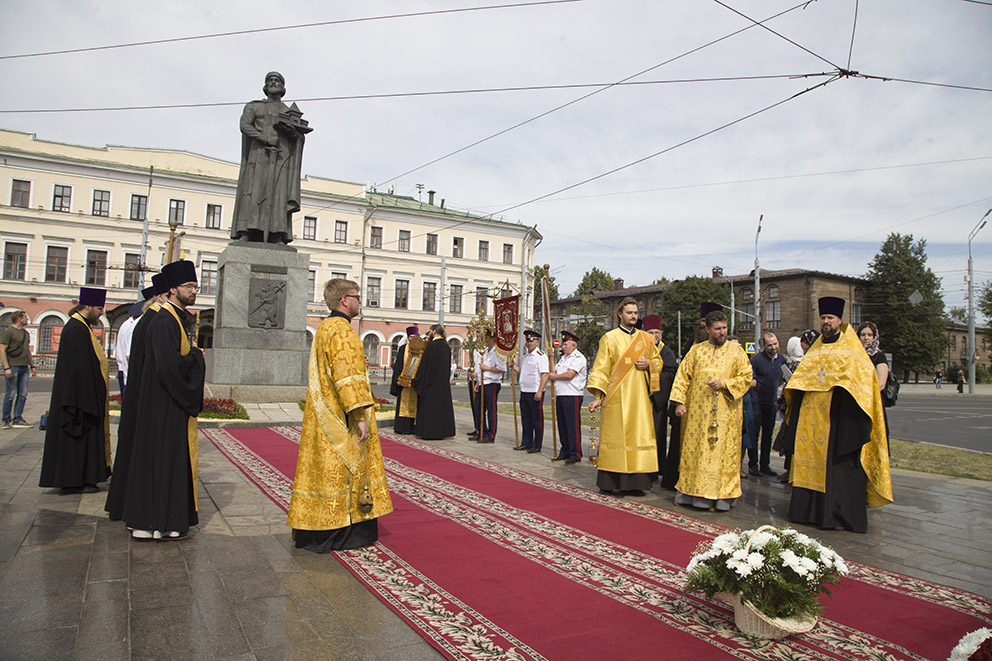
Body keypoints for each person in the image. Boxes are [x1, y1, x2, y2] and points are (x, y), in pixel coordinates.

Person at [287, 279, 393, 551]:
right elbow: (347, 377)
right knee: (346, 469)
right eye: (358, 296)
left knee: (323, 470)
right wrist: (359, 415)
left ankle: (315, 529)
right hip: (341, 417)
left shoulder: (324, 328)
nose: (361, 301)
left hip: (322, 414)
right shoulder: (344, 332)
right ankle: (346, 530)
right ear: (344, 300)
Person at [781, 297, 892, 533]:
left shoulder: (852, 350)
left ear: (840, 320)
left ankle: (834, 515)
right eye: (823, 318)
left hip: (838, 420)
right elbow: (803, 377)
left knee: (838, 467)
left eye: (830, 318)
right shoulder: (816, 349)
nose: (826, 322)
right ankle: (807, 512)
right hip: (811, 420)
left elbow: (864, 382)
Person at [122, 261, 205, 540]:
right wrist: (196, 358)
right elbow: (170, 367)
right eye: (189, 287)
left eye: (195, 286)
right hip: (165, 403)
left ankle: (160, 522)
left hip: (162, 401)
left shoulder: (171, 317)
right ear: (172, 290)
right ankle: (156, 522)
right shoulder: (165, 320)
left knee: (161, 462)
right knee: (161, 461)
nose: (194, 291)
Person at [669, 311, 753, 511]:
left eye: (724, 328)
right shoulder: (696, 351)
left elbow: (746, 377)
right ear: (707, 329)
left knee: (722, 456)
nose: (722, 332)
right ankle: (691, 494)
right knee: (696, 453)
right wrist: (679, 403)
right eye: (718, 329)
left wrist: (724, 383)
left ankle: (722, 498)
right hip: (697, 415)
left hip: (726, 415)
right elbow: (682, 377)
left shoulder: (737, 351)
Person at [106, 275, 169, 521]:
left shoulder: (138, 321)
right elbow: (136, 356)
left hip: (131, 378)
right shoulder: (147, 322)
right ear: (162, 297)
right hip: (136, 379)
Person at [39, 287, 111, 493]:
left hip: (81, 395)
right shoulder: (77, 329)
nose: (101, 313)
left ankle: (81, 478)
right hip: (79, 399)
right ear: (86, 306)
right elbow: (80, 370)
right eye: (99, 308)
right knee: (77, 438)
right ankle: (75, 479)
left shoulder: (81, 327)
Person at [588, 297, 662, 495]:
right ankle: (611, 482)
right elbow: (601, 369)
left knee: (639, 436)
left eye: (636, 313)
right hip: (616, 398)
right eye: (629, 313)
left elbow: (658, 361)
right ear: (620, 314)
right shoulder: (609, 338)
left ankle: (637, 483)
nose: (633, 316)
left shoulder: (646, 339)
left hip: (639, 399)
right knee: (616, 437)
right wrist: (598, 396)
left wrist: (650, 365)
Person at [231, 71, 311, 245]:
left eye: (277, 81)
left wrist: (293, 133)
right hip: (258, 156)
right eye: (270, 81)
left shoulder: (287, 111)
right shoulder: (254, 106)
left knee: (279, 195)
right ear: (265, 87)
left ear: (283, 89)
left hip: (281, 160)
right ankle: (246, 231)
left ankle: (277, 233)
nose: (273, 83)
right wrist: (264, 137)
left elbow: (299, 135)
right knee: (253, 191)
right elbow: (244, 125)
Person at [661, 303, 718, 489]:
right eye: (702, 321)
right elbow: (683, 373)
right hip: (689, 401)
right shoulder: (691, 344)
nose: (703, 325)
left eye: (706, 322)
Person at [641, 315, 678, 478]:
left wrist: (651, 369)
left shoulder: (666, 352)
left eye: (657, 332)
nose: (654, 336)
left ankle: (654, 469)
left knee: (656, 434)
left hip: (657, 401)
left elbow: (671, 373)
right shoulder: (640, 348)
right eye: (651, 332)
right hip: (640, 400)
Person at [747, 332, 787, 477]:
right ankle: (753, 465)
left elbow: (782, 378)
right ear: (764, 346)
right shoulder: (756, 360)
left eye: (775, 344)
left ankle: (765, 464)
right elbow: (750, 379)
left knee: (768, 435)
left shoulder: (782, 360)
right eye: (770, 345)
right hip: (756, 402)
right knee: (754, 434)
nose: (773, 347)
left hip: (771, 403)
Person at [549, 330, 587, 463]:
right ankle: (565, 450)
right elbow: (554, 370)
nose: (563, 346)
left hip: (573, 395)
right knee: (563, 425)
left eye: (566, 344)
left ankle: (575, 453)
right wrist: (551, 358)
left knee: (572, 425)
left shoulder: (578, 358)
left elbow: (569, 375)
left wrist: (555, 377)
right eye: (563, 344)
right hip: (561, 394)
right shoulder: (563, 358)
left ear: (573, 346)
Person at [413, 324, 456, 440]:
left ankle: (430, 432)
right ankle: (442, 431)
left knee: (430, 409)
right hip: (442, 384)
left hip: (431, 384)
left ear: (434, 331)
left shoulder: (432, 346)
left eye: (430, 331)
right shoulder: (446, 347)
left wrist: (418, 380)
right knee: (441, 408)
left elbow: (426, 367)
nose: (429, 333)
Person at [510, 329, 550, 453]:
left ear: (537, 342)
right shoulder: (526, 356)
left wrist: (539, 391)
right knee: (526, 418)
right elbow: (524, 372)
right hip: (525, 390)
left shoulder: (540, 356)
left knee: (536, 420)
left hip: (535, 391)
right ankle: (526, 442)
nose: (529, 343)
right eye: (527, 340)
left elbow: (544, 375)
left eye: (531, 341)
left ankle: (536, 444)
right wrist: (514, 367)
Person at [2, 310, 38, 429]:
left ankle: (18, 418)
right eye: (25, 317)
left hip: (24, 367)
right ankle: (6, 420)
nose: (27, 319)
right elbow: (2, 350)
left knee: (22, 394)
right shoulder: (9, 332)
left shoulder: (25, 333)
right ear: (19, 319)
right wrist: (6, 367)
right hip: (13, 366)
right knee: (10, 394)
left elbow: (27, 350)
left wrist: (32, 366)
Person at [470, 330, 506, 443]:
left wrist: (488, 368)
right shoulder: (485, 351)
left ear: (492, 339)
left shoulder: (498, 352)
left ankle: (491, 435)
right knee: (478, 409)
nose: (485, 340)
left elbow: (502, 369)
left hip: (492, 383)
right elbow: (480, 369)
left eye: (487, 338)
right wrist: (477, 383)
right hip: (482, 383)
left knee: (491, 410)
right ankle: (481, 431)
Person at [389, 326, 420, 435]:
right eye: (411, 337)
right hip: (404, 382)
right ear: (408, 337)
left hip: (414, 382)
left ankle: (412, 428)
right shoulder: (403, 349)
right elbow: (398, 365)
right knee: (403, 404)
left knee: (414, 404)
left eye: (414, 336)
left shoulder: (420, 350)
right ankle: (402, 427)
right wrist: (399, 378)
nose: (412, 338)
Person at [114, 300, 144, 407]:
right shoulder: (135, 325)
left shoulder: (125, 324)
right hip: (128, 373)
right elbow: (129, 355)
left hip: (123, 370)